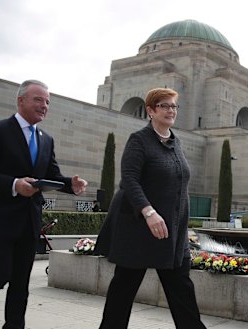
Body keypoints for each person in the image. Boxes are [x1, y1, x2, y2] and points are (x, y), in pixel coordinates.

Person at [0, 79, 88, 329]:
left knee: (20, 283)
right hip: (0, 219)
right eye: (39, 100)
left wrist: (70, 185)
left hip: (29, 222)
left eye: (48, 102)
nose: (44, 106)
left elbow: (50, 176)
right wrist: (13, 183)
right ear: (21, 101)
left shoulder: (46, 139)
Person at [94, 88, 206, 328]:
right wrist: (149, 212)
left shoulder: (176, 142)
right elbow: (129, 181)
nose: (170, 110)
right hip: (139, 231)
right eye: (164, 106)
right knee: (123, 291)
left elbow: (179, 188)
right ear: (151, 111)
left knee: (182, 291)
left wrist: (182, 229)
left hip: (170, 235)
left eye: (174, 106)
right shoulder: (139, 140)